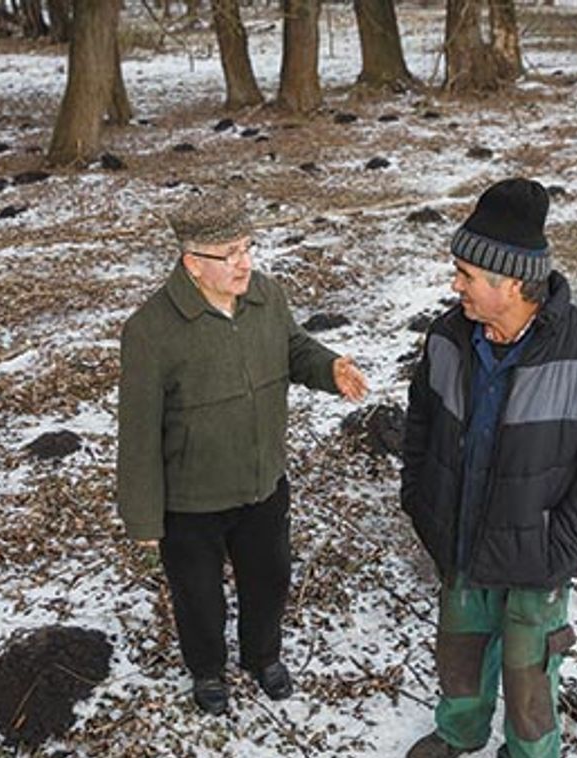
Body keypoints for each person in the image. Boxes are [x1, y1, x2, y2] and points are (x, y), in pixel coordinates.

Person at [400, 178, 577, 758]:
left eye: (465, 274)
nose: (454, 284)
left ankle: (530, 753)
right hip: (459, 541)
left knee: (529, 672)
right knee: (459, 652)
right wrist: (420, 497)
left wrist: (554, 542)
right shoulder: (447, 338)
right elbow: (420, 423)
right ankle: (459, 733)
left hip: (535, 561)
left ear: (511, 282)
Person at [116, 189, 368, 716]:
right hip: (191, 500)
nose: (243, 262)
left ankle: (263, 656)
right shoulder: (150, 331)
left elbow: (295, 348)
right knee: (199, 598)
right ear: (192, 264)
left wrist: (329, 368)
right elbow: (137, 429)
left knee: (270, 579)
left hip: (262, 482)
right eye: (228, 253)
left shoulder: (267, 296)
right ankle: (207, 670)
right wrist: (142, 514)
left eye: (247, 247)